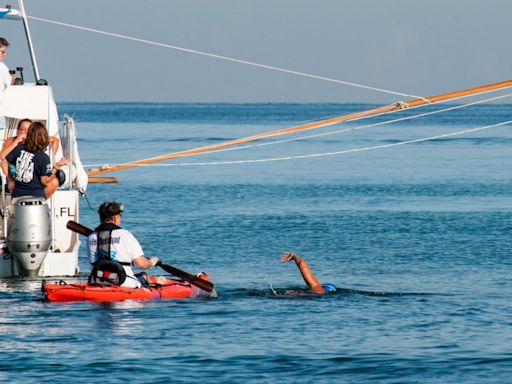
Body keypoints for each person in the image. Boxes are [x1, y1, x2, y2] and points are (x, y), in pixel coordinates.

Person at [86, 201, 161, 288]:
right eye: (120, 216)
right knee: (144, 276)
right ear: (115, 217)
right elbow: (141, 264)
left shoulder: (91, 237)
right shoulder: (125, 235)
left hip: (97, 282)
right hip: (125, 283)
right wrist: (151, 262)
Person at [0, 121, 67, 198]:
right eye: (23, 130)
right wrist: (56, 166)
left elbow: (3, 158)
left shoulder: (18, 150)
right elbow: (44, 181)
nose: (25, 133)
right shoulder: (43, 157)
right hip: (34, 193)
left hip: (17, 192)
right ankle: (41, 203)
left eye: (29, 130)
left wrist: (52, 159)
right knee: (52, 181)